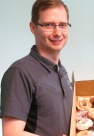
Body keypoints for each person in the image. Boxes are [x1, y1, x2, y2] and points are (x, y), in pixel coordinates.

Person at [0, 0, 73, 136]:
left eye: (62, 25)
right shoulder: (20, 72)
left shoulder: (61, 72)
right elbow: (11, 134)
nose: (57, 32)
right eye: (49, 25)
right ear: (33, 27)